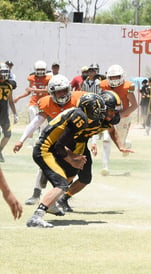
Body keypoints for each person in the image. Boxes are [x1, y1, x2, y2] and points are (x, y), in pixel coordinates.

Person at [26, 93, 107, 228]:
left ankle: (50, 204)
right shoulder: (79, 117)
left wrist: (74, 157)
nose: (99, 114)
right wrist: (72, 159)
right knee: (62, 184)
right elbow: (59, 146)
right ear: (88, 109)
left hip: (49, 149)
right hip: (44, 150)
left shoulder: (78, 113)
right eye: (97, 110)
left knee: (67, 178)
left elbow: (60, 144)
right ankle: (37, 216)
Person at [13, 75, 85, 208]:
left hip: (72, 140)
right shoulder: (46, 102)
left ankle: (60, 198)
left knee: (71, 169)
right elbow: (35, 123)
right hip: (53, 139)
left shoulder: (78, 98)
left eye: (64, 90)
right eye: (58, 91)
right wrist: (21, 140)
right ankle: (36, 193)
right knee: (44, 166)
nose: (62, 94)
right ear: (52, 93)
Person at [57, 90, 133, 212]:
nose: (113, 114)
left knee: (85, 178)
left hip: (81, 145)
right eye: (111, 110)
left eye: (115, 111)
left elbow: (112, 131)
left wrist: (120, 146)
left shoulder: (105, 120)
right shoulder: (87, 116)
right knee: (70, 175)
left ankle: (63, 198)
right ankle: (51, 199)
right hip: (67, 145)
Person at [99, 64, 138, 175]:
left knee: (120, 141)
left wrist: (120, 115)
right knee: (106, 139)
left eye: (117, 76)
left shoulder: (127, 87)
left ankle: (126, 144)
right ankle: (105, 167)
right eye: (112, 77)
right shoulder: (104, 85)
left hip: (123, 117)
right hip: (109, 116)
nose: (115, 79)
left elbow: (134, 105)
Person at [14, 60, 52, 147]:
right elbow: (28, 92)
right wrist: (18, 97)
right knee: (32, 123)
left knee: (43, 124)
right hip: (33, 102)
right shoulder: (32, 78)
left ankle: (40, 140)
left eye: (42, 69)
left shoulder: (48, 78)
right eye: (38, 69)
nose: (40, 71)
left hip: (43, 103)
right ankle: (30, 142)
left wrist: (34, 90)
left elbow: (47, 90)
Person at [0, 63, 19, 162]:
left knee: (7, 135)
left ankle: (0, 151)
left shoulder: (10, 85)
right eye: (1, 72)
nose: (3, 75)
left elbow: (10, 101)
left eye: (5, 73)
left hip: (4, 114)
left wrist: (15, 114)